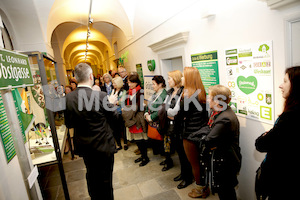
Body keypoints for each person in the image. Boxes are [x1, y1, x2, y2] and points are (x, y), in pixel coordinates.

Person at [65, 63, 119, 200]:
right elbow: (115, 119)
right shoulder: (100, 96)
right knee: (106, 180)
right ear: (91, 76)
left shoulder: (69, 98)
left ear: (76, 78)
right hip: (103, 146)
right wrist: (111, 104)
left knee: (91, 175)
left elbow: (69, 124)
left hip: (85, 147)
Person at [255, 66, 300, 200]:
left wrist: (267, 135)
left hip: (283, 183)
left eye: (285, 81)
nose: (281, 85)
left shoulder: (290, 117)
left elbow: (261, 144)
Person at [203, 84, 241, 200]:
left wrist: (204, 139)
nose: (207, 99)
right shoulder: (220, 113)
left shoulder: (225, 118)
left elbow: (209, 140)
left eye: (210, 97)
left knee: (226, 193)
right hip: (225, 160)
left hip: (226, 162)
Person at [178, 67, 209, 198]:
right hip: (201, 132)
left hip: (190, 134)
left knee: (194, 164)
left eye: (184, 76)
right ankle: (204, 186)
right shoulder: (201, 93)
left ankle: (199, 189)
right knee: (202, 163)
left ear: (189, 79)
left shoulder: (187, 97)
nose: (181, 79)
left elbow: (180, 116)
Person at [161, 70, 193, 188]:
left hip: (181, 128)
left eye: (170, 78)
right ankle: (183, 174)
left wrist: (172, 112)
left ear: (176, 79)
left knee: (185, 154)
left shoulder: (183, 92)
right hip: (171, 127)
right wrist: (171, 112)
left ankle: (188, 178)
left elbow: (175, 111)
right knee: (179, 153)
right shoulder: (170, 92)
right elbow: (165, 107)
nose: (168, 80)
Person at [122, 72, 148, 166]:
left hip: (137, 119)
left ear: (136, 82)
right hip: (131, 118)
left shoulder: (140, 91)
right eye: (128, 83)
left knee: (141, 139)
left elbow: (139, 107)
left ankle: (145, 157)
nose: (129, 84)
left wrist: (127, 110)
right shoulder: (130, 91)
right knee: (136, 140)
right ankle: (142, 155)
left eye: (130, 82)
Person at [144, 76, 167, 160]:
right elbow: (148, 105)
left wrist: (151, 117)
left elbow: (161, 110)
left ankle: (166, 159)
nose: (152, 86)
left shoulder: (164, 95)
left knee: (162, 142)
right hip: (153, 123)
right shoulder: (154, 94)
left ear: (160, 84)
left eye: (154, 84)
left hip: (160, 123)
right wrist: (146, 113)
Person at [110, 76, 128, 150]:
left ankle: (125, 143)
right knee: (115, 129)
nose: (113, 84)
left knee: (123, 128)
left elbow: (121, 101)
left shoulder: (123, 91)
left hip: (121, 112)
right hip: (114, 112)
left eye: (114, 83)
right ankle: (118, 144)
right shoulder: (113, 90)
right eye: (113, 83)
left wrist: (115, 102)